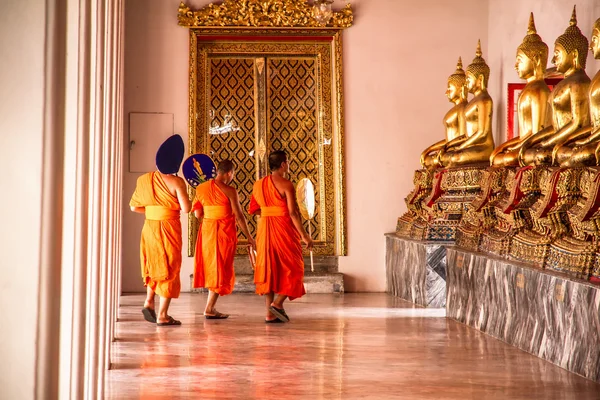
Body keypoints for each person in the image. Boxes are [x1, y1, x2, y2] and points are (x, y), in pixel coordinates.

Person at [129, 135, 191, 326]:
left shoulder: (144, 179)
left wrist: (153, 211)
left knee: (154, 264)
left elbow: (133, 207)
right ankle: (163, 315)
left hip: (150, 228)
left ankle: (149, 302)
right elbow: (187, 208)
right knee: (169, 268)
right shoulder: (177, 182)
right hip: (169, 228)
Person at [249, 150, 313, 323]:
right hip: (284, 228)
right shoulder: (286, 184)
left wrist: (269, 212)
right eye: (288, 162)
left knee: (268, 269)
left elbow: (254, 209)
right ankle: (277, 304)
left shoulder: (258, 184)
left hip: (265, 229)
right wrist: (305, 236)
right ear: (284, 164)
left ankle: (269, 313)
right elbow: (292, 213)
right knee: (295, 268)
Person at [192, 159, 256, 319]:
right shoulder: (230, 190)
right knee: (219, 268)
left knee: (213, 267)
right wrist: (249, 237)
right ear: (229, 173)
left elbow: (197, 214)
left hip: (207, 231)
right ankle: (209, 308)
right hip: (223, 233)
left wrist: (211, 213)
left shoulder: (201, 188)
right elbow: (240, 217)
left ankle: (210, 307)